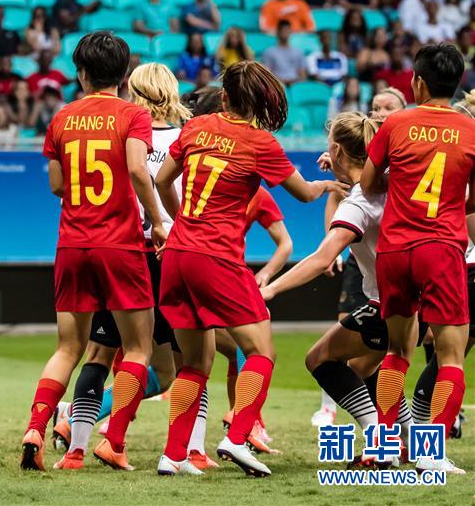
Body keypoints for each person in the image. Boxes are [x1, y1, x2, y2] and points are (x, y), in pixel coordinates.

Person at [153, 61, 345, 477]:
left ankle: (173, 454)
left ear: (224, 98)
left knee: (194, 363)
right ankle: (237, 439)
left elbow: (162, 179)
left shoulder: (195, 128)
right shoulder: (260, 143)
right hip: (217, 258)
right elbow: (303, 195)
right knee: (262, 351)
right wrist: (328, 186)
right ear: (259, 104)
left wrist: (179, 221)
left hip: (178, 254)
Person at [20, 32, 166, 472]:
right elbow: (140, 169)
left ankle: (34, 427)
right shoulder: (133, 115)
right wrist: (158, 219)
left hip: (72, 244)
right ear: (124, 75)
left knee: (69, 348)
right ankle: (114, 441)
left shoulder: (61, 118)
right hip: (119, 245)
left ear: (81, 74)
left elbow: (57, 186)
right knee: (139, 348)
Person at [54, 62, 191, 471]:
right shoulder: (183, 137)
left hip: (122, 249)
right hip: (160, 254)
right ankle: (185, 448)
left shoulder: (114, 128)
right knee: (189, 359)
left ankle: (80, 429)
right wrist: (169, 225)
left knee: (113, 354)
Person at [260, 112, 421, 458]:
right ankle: (412, 442)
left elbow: (321, 258)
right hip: (415, 300)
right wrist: (339, 166)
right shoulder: (396, 181)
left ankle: (380, 438)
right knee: (364, 368)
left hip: (386, 304)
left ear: (336, 149)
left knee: (319, 359)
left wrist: (271, 289)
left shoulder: (359, 204)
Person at [360, 44, 474, 473]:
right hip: (440, 248)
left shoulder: (397, 123)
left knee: (396, 351)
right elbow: (473, 202)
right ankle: (432, 453)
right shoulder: (470, 130)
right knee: (450, 356)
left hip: (394, 249)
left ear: (419, 82)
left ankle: (385, 448)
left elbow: (370, 184)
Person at [262, 20, 306, 84]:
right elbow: (267, 74)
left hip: (295, 84)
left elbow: (303, 74)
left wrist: (297, 81)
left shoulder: (298, 52)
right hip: (277, 85)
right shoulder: (269, 52)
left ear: (291, 31)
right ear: (278, 32)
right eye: (283, 30)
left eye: (287, 30)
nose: (285, 32)